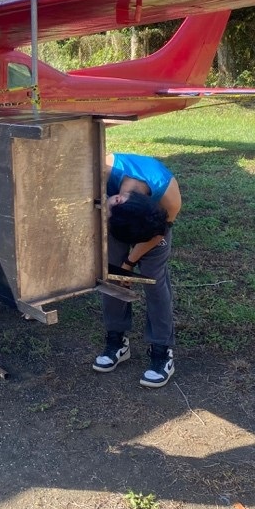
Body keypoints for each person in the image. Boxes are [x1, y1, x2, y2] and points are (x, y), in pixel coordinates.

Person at [94, 152, 182, 388]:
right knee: (112, 276)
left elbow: (158, 233)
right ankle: (116, 340)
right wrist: (121, 267)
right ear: (117, 198)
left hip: (153, 228)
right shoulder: (103, 168)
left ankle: (162, 350)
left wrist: (130, 262)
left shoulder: (169, 198)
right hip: (117, 219)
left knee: (154, 280)